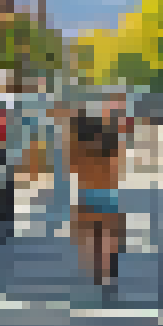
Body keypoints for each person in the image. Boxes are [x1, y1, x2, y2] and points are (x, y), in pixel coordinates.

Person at [68, 114, 127, 294]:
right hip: (108, 195)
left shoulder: (79, 149)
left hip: (87, 197)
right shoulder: (109, 147)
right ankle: (111, 264)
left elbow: (74, 168)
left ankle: (99, 271)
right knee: (111, 231)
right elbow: (117, 170)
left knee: (95, 236)